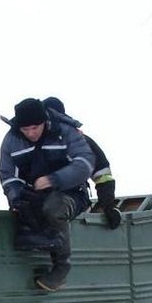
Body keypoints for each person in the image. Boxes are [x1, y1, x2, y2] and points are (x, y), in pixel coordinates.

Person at [0, 97, 94, 291]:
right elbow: (7, 174)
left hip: (71, 192)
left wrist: (54, 179)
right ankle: (37, 242)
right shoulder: (12, 140)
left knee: (53, 208)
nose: (31, 133)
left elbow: (85, 163)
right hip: (33, 193)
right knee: (23, 210)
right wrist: (15, 196)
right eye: (26, 129)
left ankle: (61, 269)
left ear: (44, 122)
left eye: (35, 128)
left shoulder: (64, 132)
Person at [41, 97, 121, 230]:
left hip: (71, 198)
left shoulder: (79, 141)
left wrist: (108, 207)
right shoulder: (30, 143)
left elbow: (102, 174)